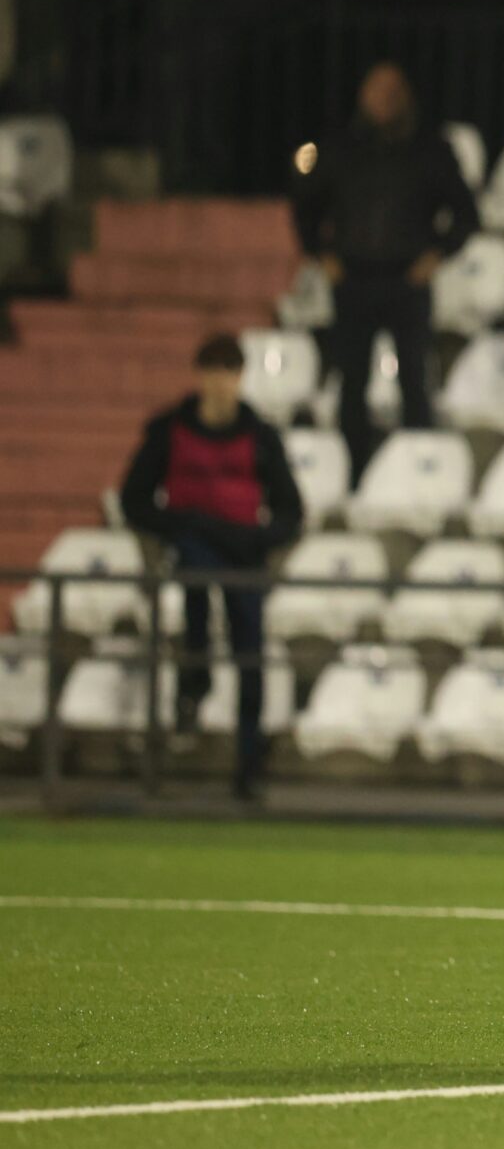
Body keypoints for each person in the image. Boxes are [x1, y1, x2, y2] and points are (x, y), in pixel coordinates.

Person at [117, 334, 305, 803]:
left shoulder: (261, 436)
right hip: (192, 547)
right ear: (199, 375)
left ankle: (247, 761)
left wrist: (256, 540)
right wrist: (181, 525)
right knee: (196, 585)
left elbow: (290, 511)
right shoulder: (169, 430)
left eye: (228, 372)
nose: (220, 383)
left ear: (240, 377)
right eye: (212, 372)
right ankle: (194, 678)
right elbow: (134, 499)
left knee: (249, 654)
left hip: (243, 554)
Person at [288, 62, 478, 477]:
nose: (384, 100)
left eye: (392, 91)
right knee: (351, 381)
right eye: (377, 90)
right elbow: (305, 206)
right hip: (353, 280)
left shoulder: (430, 149)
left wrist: (436, 254)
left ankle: (417, 474)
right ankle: (351, 473)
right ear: (363, 96)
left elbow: (466, 213)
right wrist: (322, 254)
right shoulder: (340, 148)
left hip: (407, 281)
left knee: (414, 380)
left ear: (406, 96)